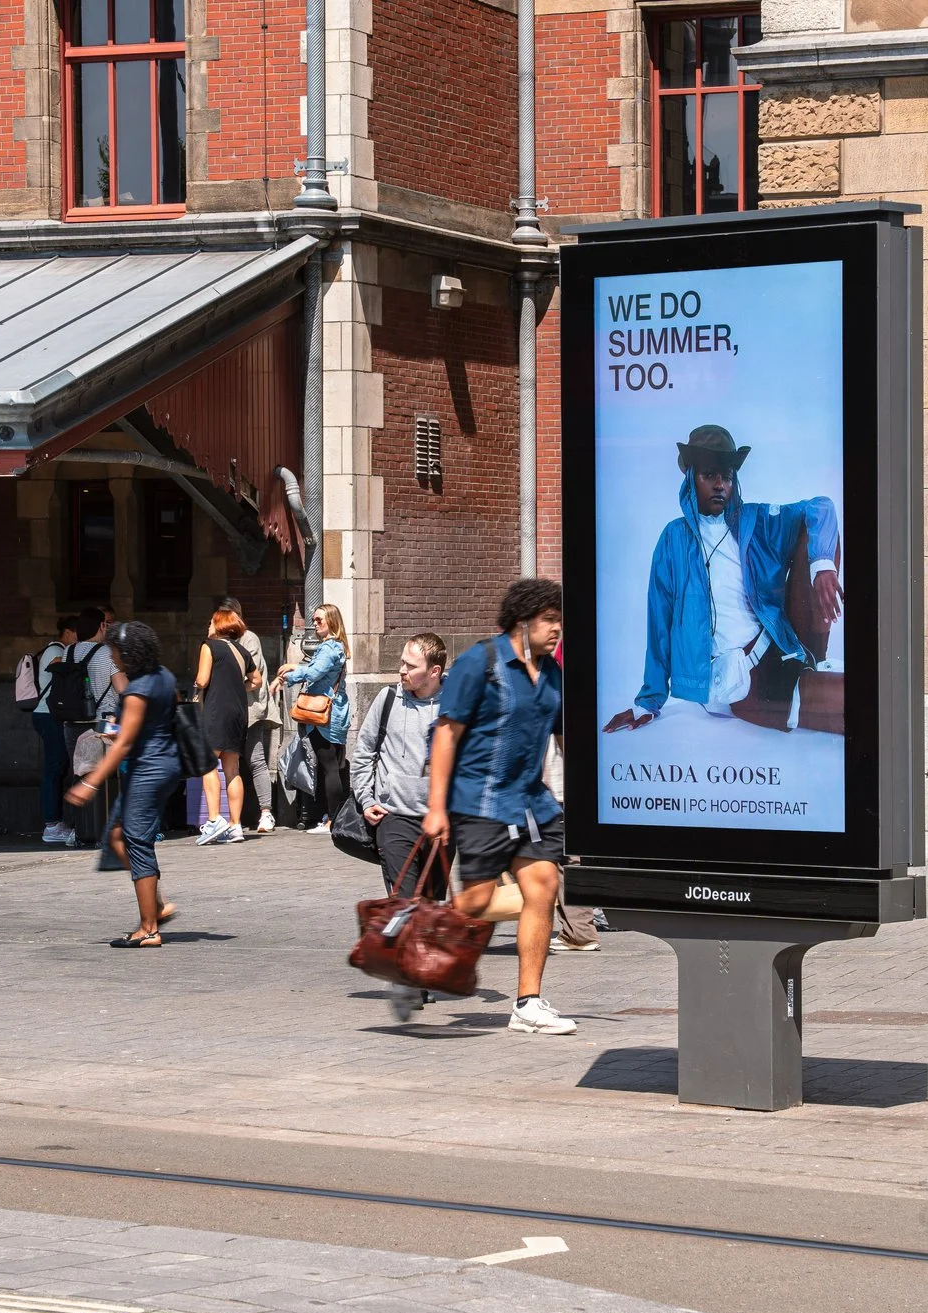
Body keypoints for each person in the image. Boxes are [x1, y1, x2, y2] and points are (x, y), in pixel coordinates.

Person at [604, 424, 844, 736]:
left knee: (814, 532)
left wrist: (823, 567)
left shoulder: (754, 521)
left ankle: (815, 658)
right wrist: (648, 701)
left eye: (727, 475)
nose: (720, 484)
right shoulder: (674, 539)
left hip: (781, 646)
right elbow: (659, 622)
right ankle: (804, 683)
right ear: (691, 477)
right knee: (858, 706)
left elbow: (820, 507)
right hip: (748, 680)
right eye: (709, 475)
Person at [424, 579, 574, 1036]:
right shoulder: (480, 663)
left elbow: (562, 734)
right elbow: (446, 734)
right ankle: (421, 938)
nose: (557, 630)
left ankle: (528, 1002)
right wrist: (436, 808)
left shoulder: (551, 673)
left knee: (544, 883)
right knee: (479, 899)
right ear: (523, 620)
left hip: (532, 801)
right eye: (550, 619)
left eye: (559, 620)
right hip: (481, 799)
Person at [66, 622, 185, 947]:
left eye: (114, 651)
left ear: (128, 652)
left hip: (148, 770)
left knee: (137, 842)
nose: (112, 656)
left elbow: (123, 744)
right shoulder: (163, 676)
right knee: (117, 836)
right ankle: (156, 907)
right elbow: (160, 716)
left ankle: (149, 929)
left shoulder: (137, 690)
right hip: (163, 764)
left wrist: (89, 783)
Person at [353, 632, 451, 1020]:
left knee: (430, 903)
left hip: (442, 820)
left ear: (435, 671)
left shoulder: (455, 705)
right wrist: (366, 798)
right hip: (394, 817)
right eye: (402, 663)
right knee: (403, 899)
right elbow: (364, 750)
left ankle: (419, 972)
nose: (402, 671)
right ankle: (408, 980)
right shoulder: (389, 698)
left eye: (411, 666)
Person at [30, 609, 110, 845]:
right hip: (53, 716)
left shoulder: (69, 652)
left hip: (64, 717)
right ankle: (54, 824)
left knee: (71, 768)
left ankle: (73, 825)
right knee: (57, 768)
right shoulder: (58, 651)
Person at [276, 603, 353, 834]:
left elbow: (313, 673)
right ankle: (333, 817)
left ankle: (333, 820)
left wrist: (290, 672)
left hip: (324, 716)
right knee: (334, 766)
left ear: (332, 621)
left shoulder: (329, 648)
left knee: (329, 766)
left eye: (320, 620)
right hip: (334, 713)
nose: (315, 623)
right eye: (314, 620)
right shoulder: (334, 647)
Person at [193, 606, 262, 844]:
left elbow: (202, 680)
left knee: (208, 763)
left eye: (211, 622)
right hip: (238, 711)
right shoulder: (242, 650)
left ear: (219, 625)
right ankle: (236, 825)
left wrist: (196, 685)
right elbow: (256, 680)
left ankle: (214, 820)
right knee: (232, 768)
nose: (208, 626)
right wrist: (237, 686)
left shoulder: (209, 646)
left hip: (216, 710)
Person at [219, 596, 281, 834]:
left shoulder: (249, 639)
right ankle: (236, 815)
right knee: (232, 762)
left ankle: (266, 812)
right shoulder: (218, 641)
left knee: (255, 759)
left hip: (250, 709)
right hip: (229, 711)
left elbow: (250, 675)